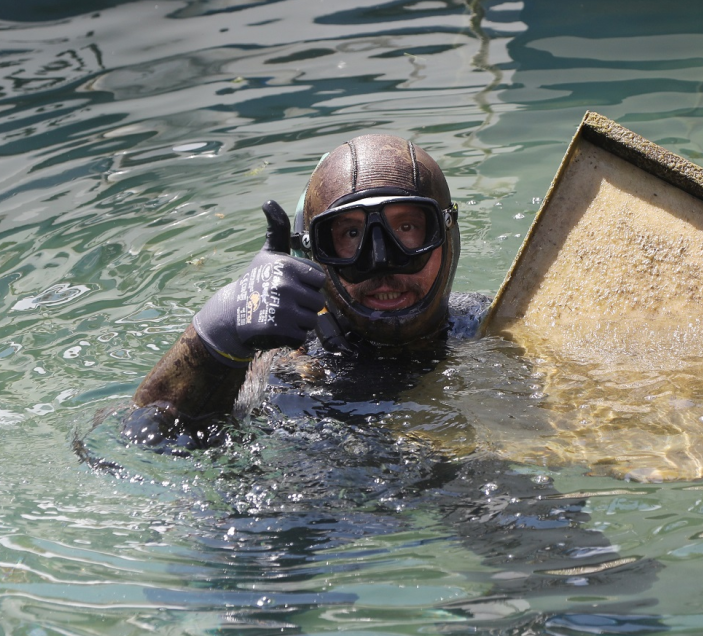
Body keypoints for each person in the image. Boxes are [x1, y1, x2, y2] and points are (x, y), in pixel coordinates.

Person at [123, 133, 488, 447]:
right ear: (313, 254)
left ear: (447, 234)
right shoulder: (285, 365)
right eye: (350, 234)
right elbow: (142, 442)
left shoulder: (489, 322)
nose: (381, 261)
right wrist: (215, 339)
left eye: (407, 227)